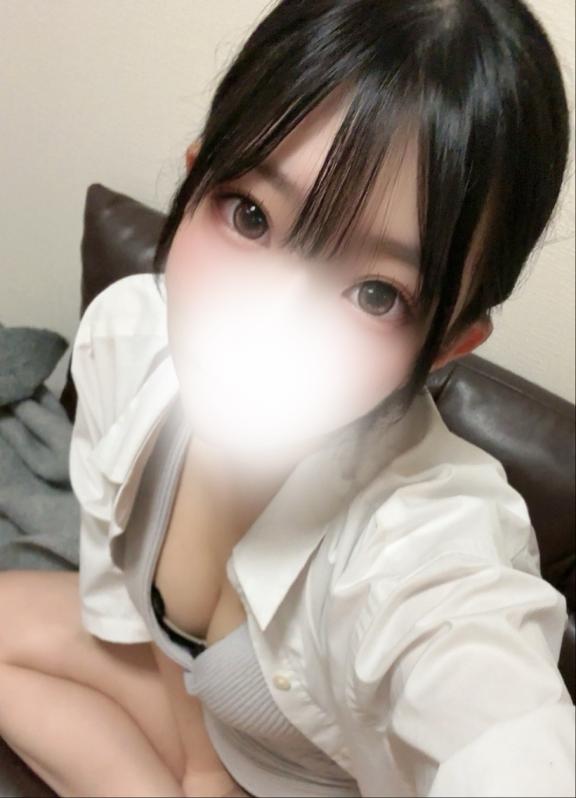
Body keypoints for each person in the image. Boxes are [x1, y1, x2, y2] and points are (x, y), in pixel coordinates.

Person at [0, 0, 574, 796]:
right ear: (195, 179)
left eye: (376, 294)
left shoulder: (426, 549)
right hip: (211, 729)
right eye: (250, 216)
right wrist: (201, 770)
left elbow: (501, 729)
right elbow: (143, 630)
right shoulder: (127, 344)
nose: (266, 323)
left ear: (446, 345)